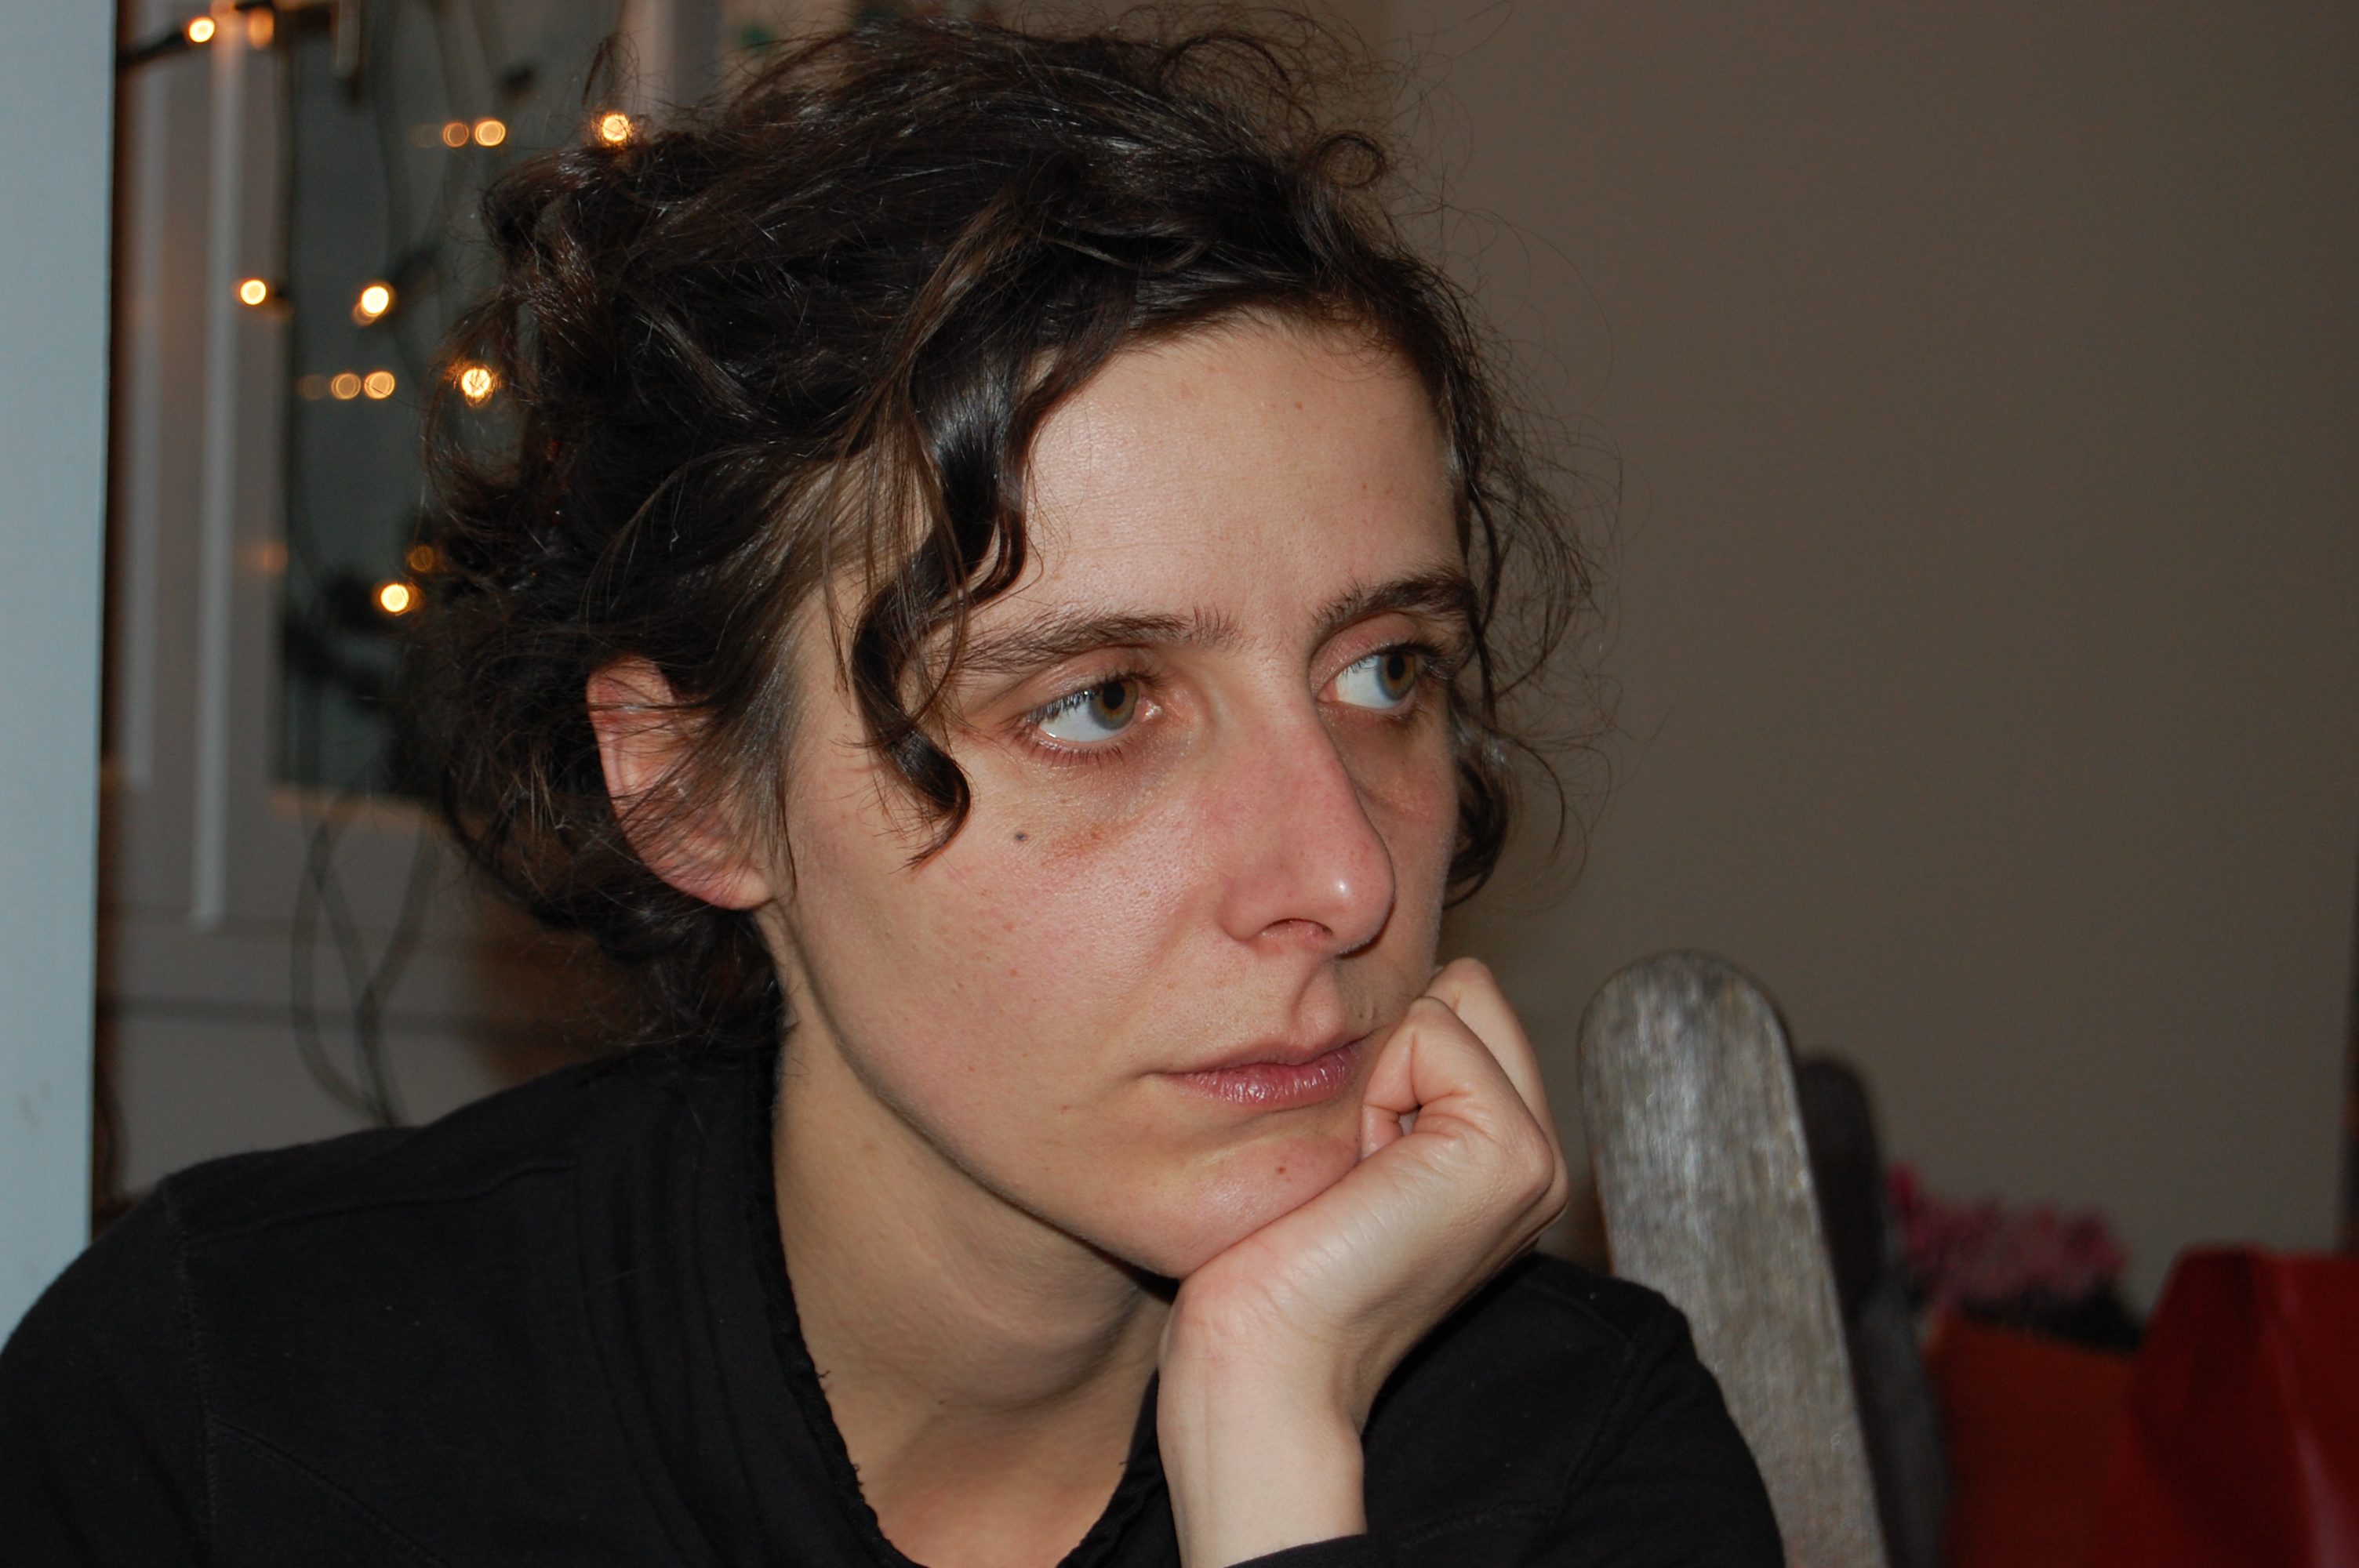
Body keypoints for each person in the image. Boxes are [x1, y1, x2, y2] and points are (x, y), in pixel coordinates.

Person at [0, 15, 1780, 1566]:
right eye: (1100, 703)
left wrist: (1274, 1436)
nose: (1342, 875)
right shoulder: (237, 1411)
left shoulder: (1567, 1466)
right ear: (694, 790)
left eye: (1386, 671)